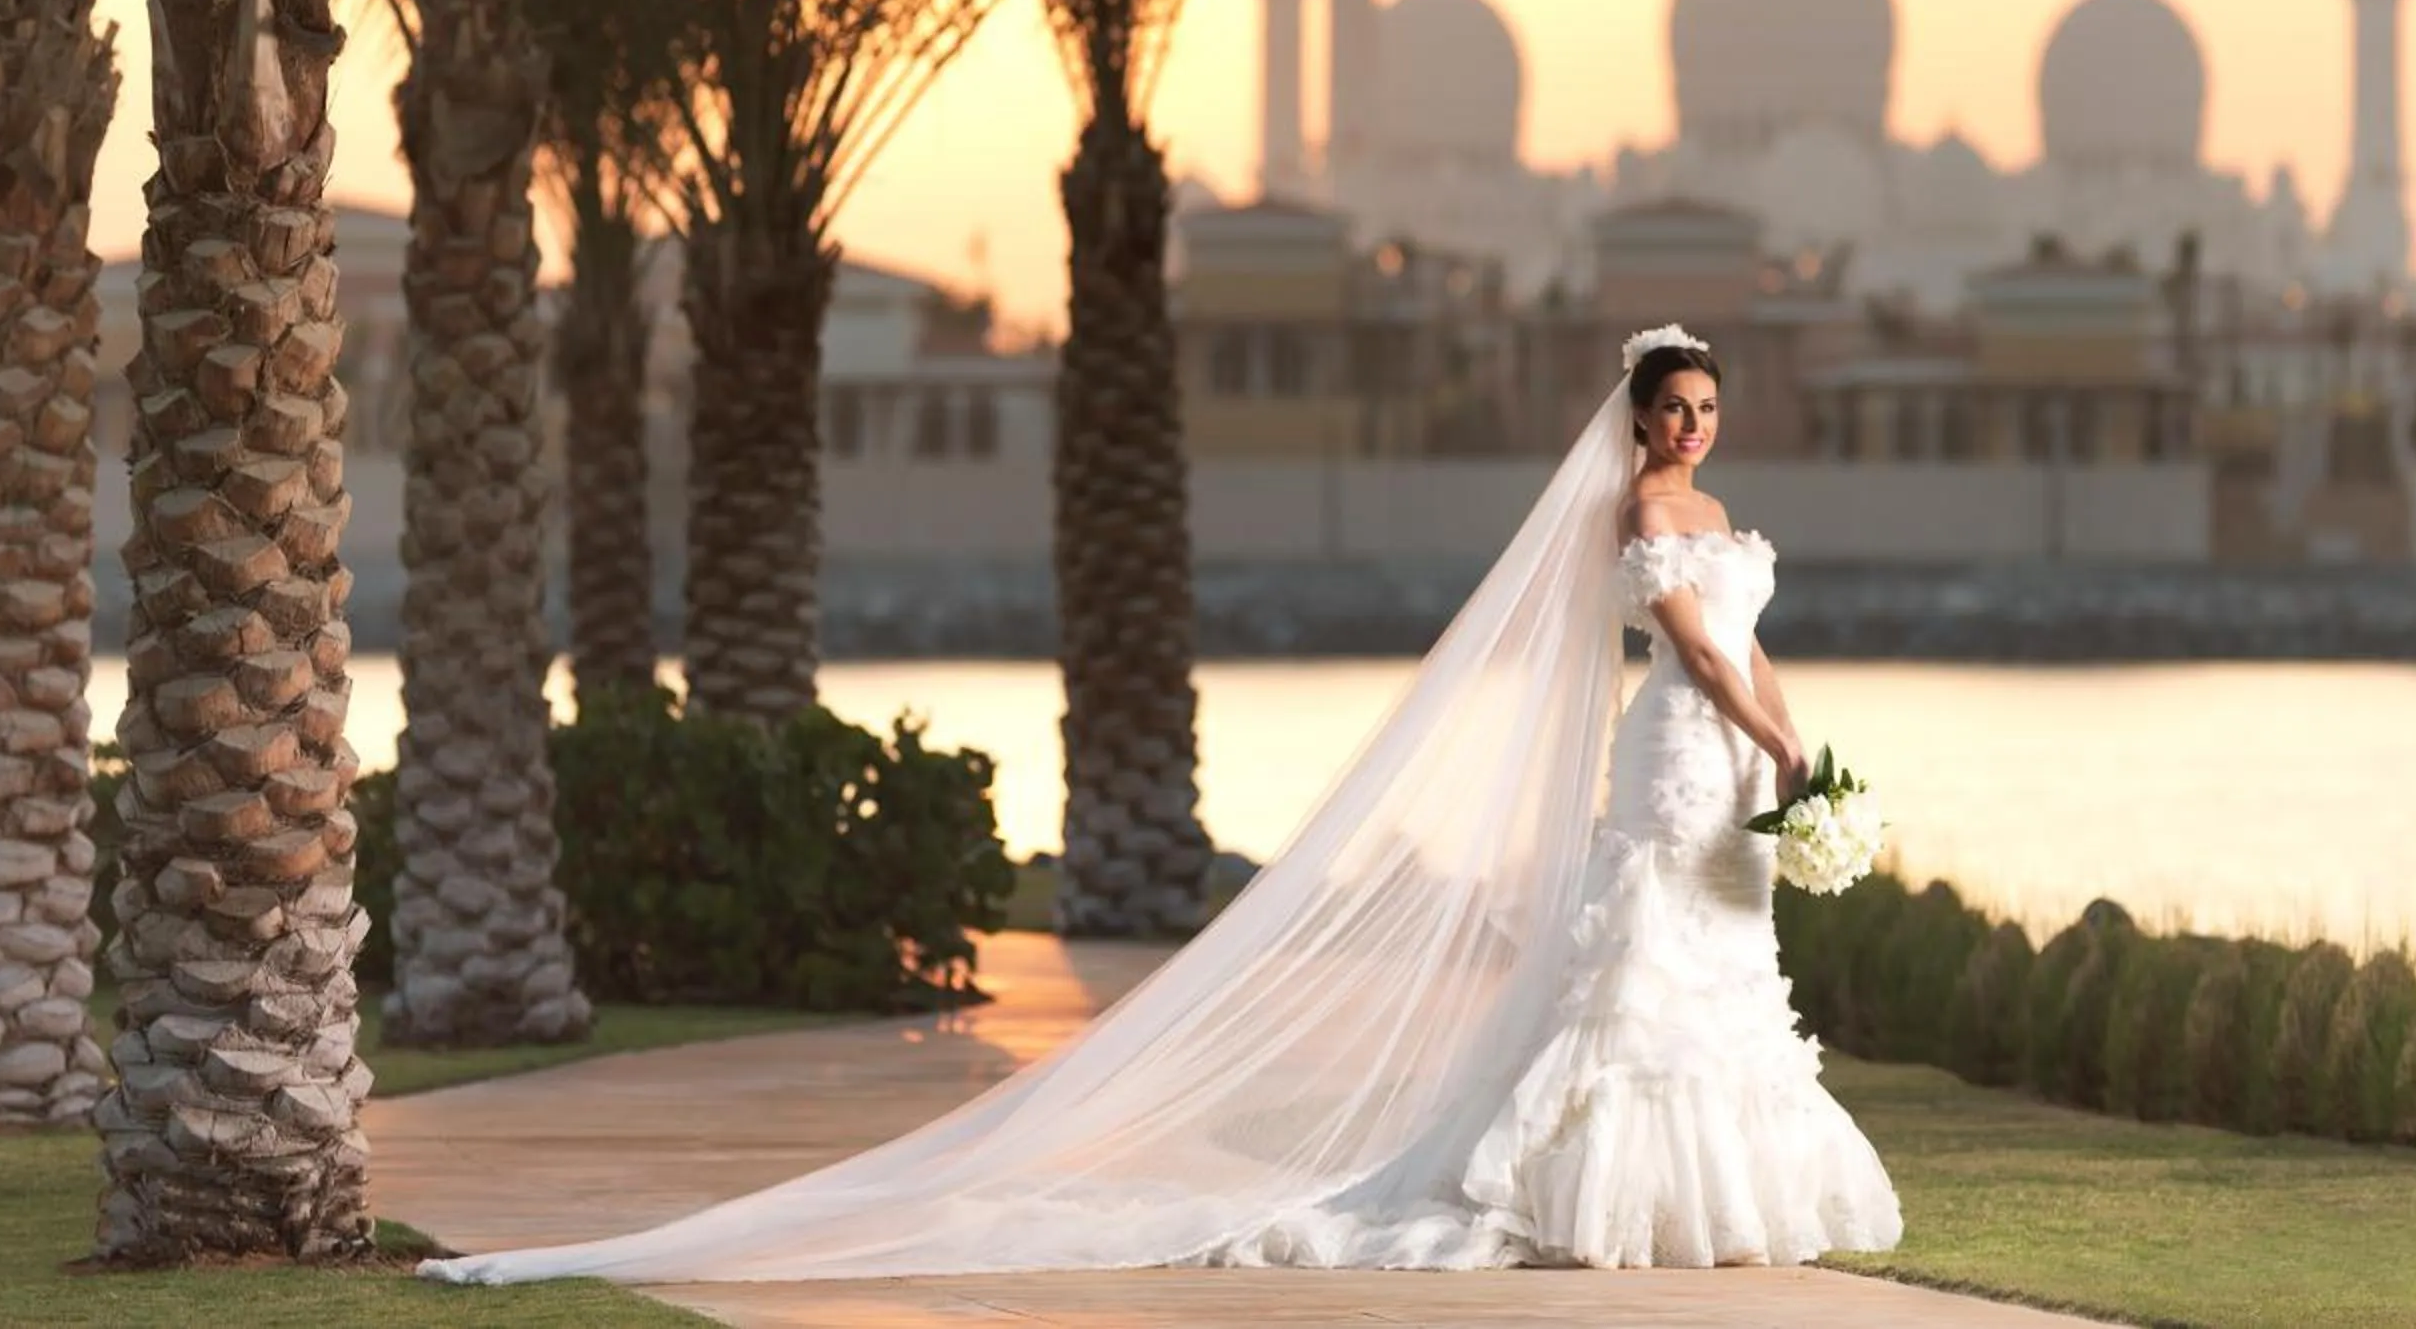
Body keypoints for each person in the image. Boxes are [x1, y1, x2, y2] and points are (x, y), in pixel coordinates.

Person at [424, 324, 1901, 1286]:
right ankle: (1599, 1187)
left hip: (1739, 756)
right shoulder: (1642, 514)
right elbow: (1700, 650)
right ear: (1635, 420)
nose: (1691, 430)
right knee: (1636, 958)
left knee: (1721, 962)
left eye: (1706, 411)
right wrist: (1777, 740)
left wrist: (1793, 738)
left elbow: (1748, 638)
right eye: (1672, 410)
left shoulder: (1715, 515)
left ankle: (1718, 1193)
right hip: (1683, 750)